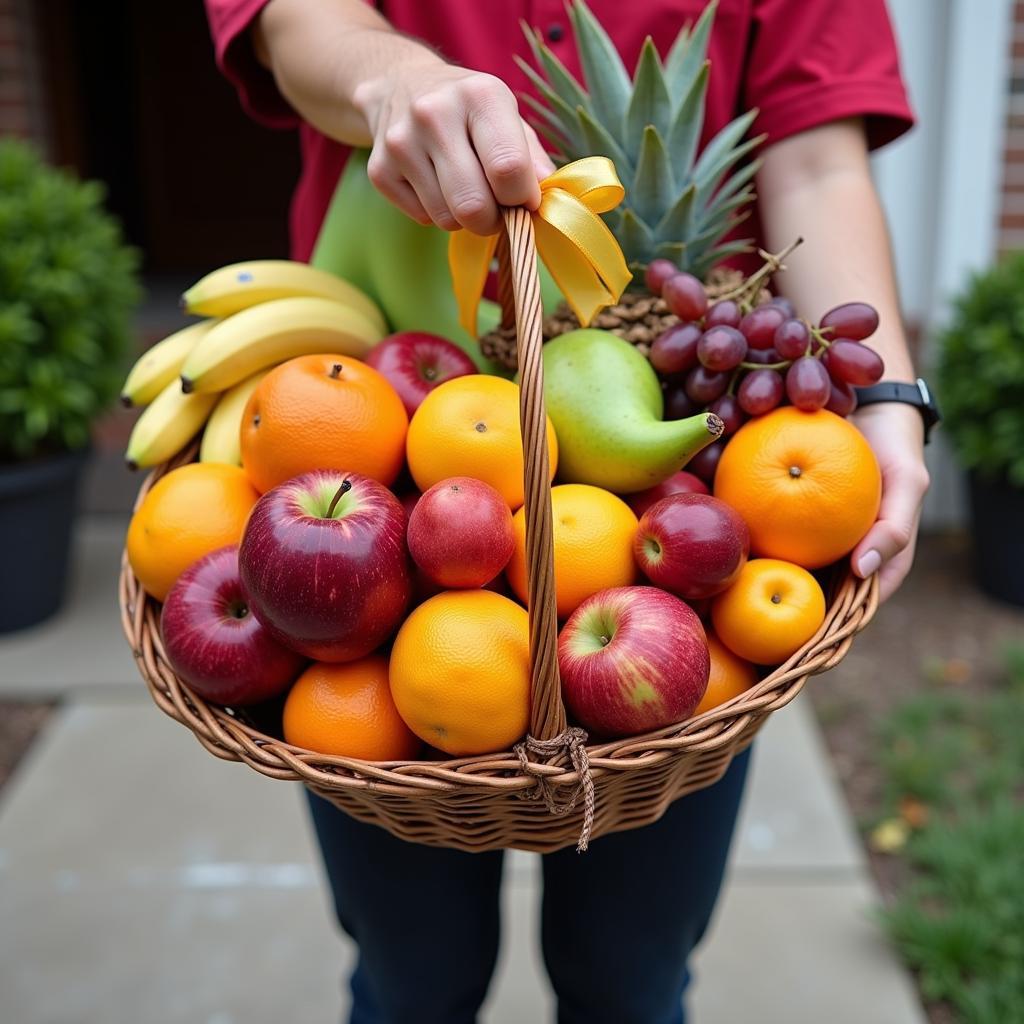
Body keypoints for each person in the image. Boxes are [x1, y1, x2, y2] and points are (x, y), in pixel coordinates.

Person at [203, 3, 931, 1022]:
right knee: (410, 979)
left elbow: (814, 161)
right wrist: (388, 80)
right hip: (372, 395)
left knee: (630, 981)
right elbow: (285, 20)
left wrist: (892, 401)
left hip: (687, 420)